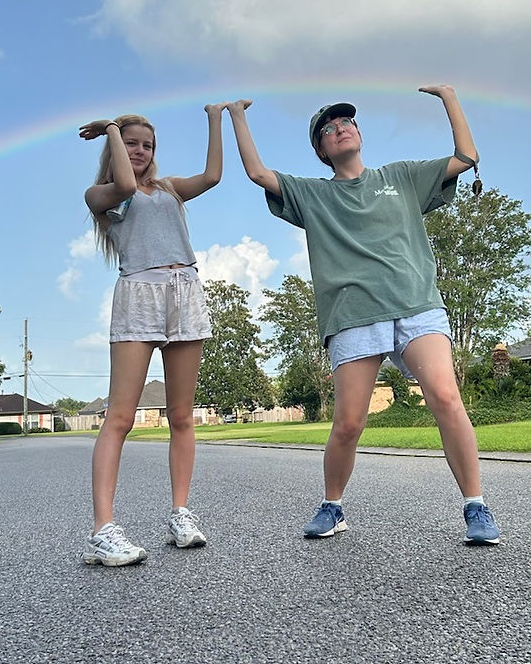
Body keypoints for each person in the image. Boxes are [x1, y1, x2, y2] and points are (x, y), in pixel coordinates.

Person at [225, 87, 501, 545]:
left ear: (359, 133)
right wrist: (236, 116)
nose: (339, 130)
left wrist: (448, 97)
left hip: (415, 304)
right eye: (328, 130)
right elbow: (257, 172)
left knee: (446, 398)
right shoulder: (312, 195)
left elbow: (466, 155)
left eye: (346, 123)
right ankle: (332, 506)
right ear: (321, 151)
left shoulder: (403, 177)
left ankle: (477, 507)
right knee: (349, 422)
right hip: (353, 313)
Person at [78, 105, 225, 566]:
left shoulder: (168, 189)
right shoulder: (100, 193)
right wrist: (112, 129)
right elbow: (124, 184)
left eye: (148, 145)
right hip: (139, 291)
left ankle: (181, 514)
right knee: (119, 416)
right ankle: (102, 531)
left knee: (182, 416)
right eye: (131, 143)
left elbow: (214, 176)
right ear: (116, 146)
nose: (141, 151)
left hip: (185, 289)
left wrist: (216, 117)